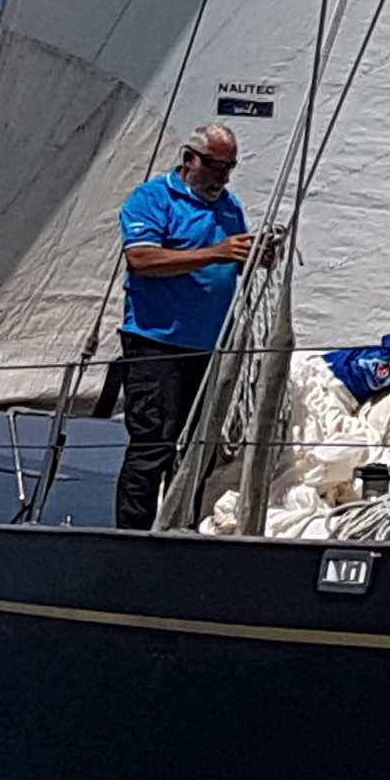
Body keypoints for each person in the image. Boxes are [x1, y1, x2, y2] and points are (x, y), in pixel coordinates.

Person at [114, 123, 261, 529]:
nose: (222, 178)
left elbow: (231, 258)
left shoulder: (229, 207)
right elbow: (141, 259)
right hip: (157, 344)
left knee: (200, 449)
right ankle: (132, 538)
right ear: (189, 159)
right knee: (153, 446)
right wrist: (215, 253)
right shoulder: (152, 199)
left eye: (229, 168)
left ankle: (185, 529)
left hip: (209, 348)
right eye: (214, 166)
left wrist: (254, 257)